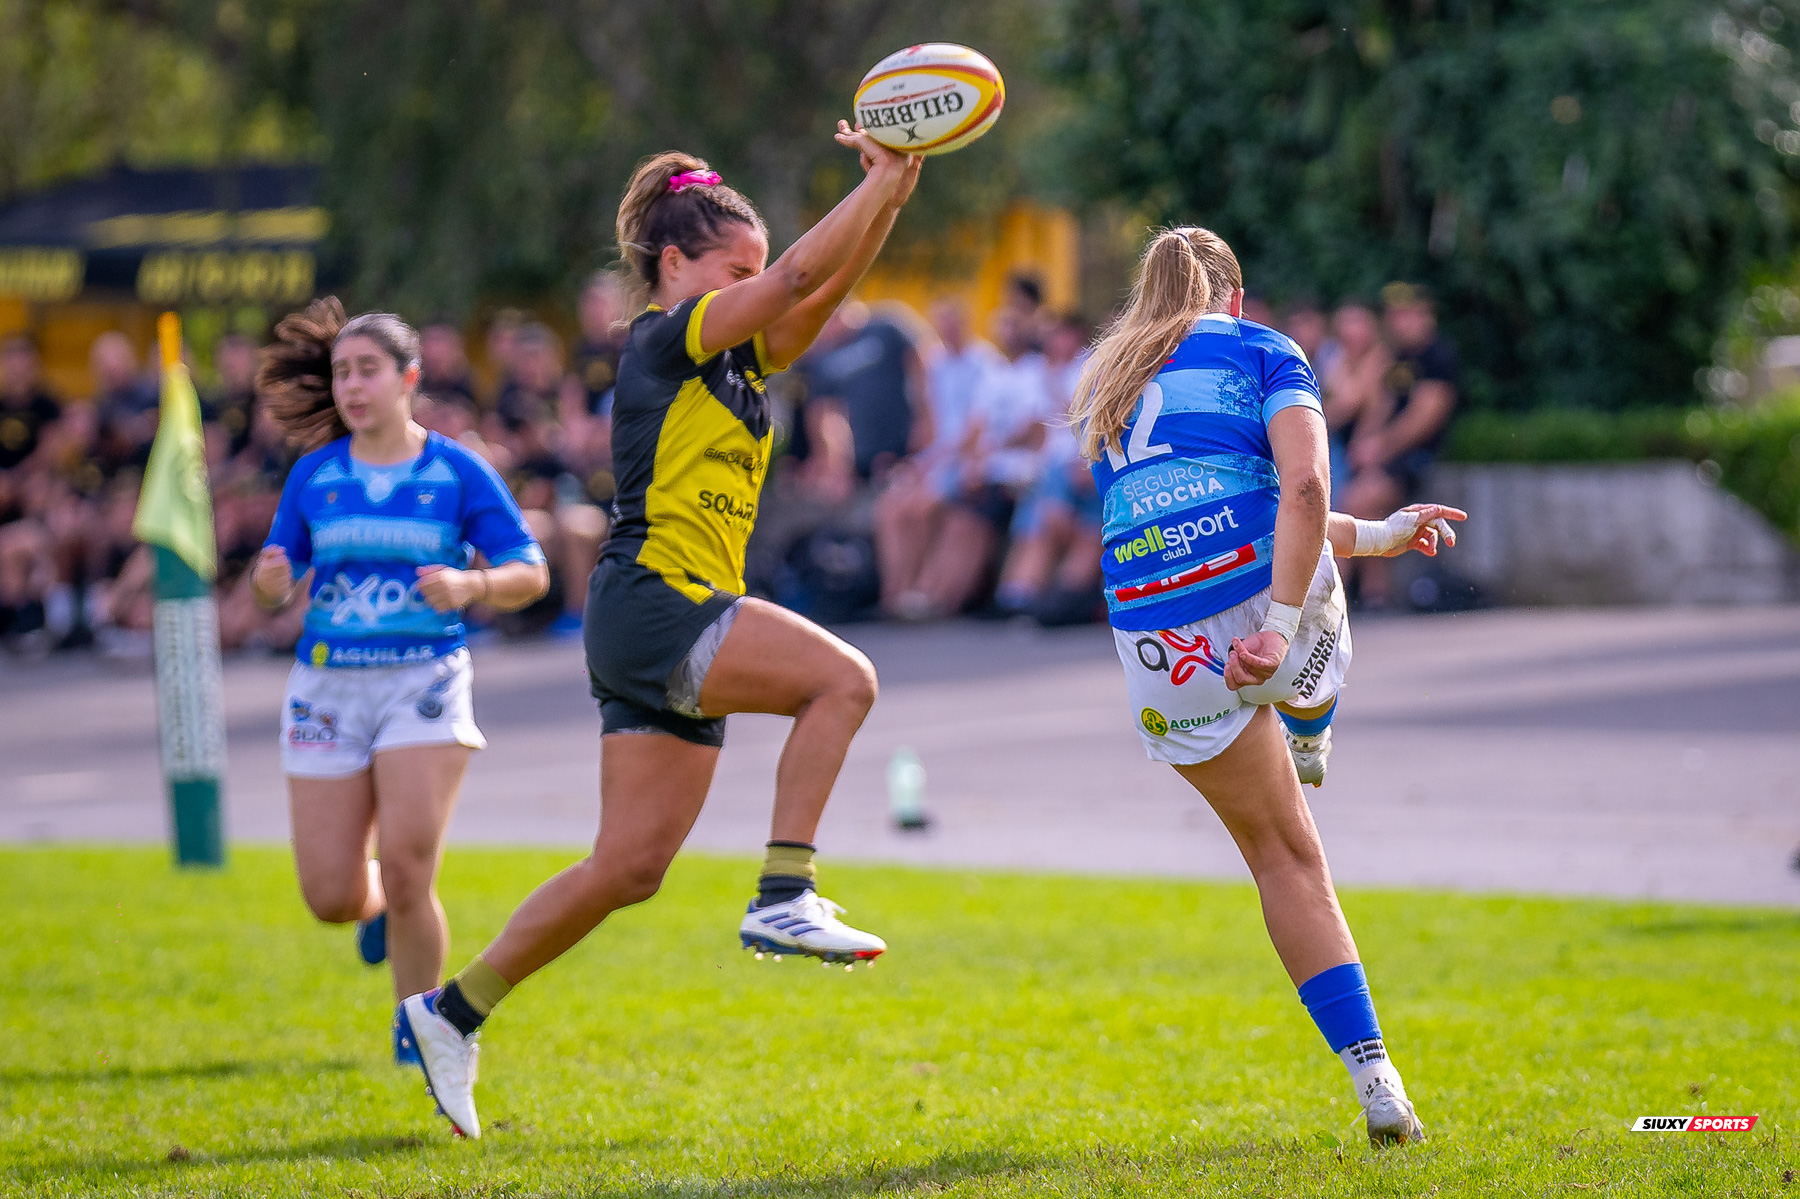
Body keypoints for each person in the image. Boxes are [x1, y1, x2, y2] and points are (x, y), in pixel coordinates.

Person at [396, 130, 922, 1139]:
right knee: (843, 680)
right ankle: (786, 886)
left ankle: (452, 1011)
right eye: (735, 272)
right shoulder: (663, 338)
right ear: (674, 265)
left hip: (652, 615)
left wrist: (890, 195)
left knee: (628, 868)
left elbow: (816, 291)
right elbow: (800, 275)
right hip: (657, 601)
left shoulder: (743, 358)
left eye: (753, 274)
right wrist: (871, 193)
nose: (753, 288)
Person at [1070, 226, 1458, 1146]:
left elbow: (1223, 500)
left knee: (1281, 856)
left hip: (1155, 631)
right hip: (1256, 591)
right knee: (1307, 641)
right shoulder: (1261, 347)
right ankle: (1310, 717)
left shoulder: (1105, 378)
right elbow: (1305, 488)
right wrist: (1280, 627)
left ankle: (1374, 1079)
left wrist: (1379, 534)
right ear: (1234, 297)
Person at [250, 299, 549, 1067]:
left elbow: (531, 571)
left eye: (367, 370)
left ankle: (422, 1028)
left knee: (414, 867)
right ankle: (373, 902)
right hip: (326, 689)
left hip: (425, 679)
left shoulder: (456, 470)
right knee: (330, 895)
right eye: (341, 372)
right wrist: (269, 581)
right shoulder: (315, 474)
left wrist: (473, 585)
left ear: (409, 378)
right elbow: (272, 580)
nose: (351, 386)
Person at [872, 298, 1003, 616]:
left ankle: (917, 591)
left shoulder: (985, 363)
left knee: (920, 508)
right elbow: (926, 420)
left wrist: (936, 460)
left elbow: (977, 427)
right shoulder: (934, 363)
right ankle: (895, 591)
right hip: (936, 457)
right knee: (889, 509)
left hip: (961, 457)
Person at [1341, 283, 1459, 606]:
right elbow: (1379, 403)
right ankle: (1373, 595)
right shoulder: (1394, 357)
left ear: (1426, 314)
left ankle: (1340, 592)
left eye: (1407, 314)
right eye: (1394, 315)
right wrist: (1363, 444)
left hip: (1417, 457)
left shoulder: (1437, 356)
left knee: (1356, 501)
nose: (1399, 322)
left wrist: (1379, 447)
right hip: (1389, 457)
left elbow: (1424, 418)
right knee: (1360, 504)